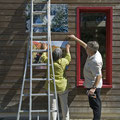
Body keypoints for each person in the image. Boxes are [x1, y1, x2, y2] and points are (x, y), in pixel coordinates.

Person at [68, 35, 103, 120]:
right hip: (89, 85)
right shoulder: (92, 52)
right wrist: (74, 38)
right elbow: (84, 44)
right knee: (94, 103)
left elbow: (99, 75)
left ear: (91, 50)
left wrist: (93, 88)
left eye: (87, 47)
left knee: (95, 106)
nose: (86, 48)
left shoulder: (95, 61)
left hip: (93, 86)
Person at [40, 43, 71, 120]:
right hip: (62, 86)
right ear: (60, 56)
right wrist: (67, 49)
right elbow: (68, 58)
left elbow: (43, 57)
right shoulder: (63, 61)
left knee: (53, 106)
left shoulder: (49, 61)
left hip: (51, 85)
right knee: (64, 105)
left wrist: (44, 49)